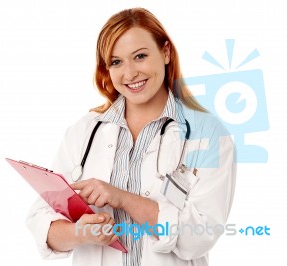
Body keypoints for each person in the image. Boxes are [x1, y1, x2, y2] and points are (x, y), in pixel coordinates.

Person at [26, 7, 236, 266]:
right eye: (116, 62)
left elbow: (200, 236)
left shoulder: (207, 134)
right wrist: (82, 234)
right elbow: (42, 221)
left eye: (140, 56)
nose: (129, 73)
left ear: (166, 52)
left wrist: (122, 198)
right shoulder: (84, 131)